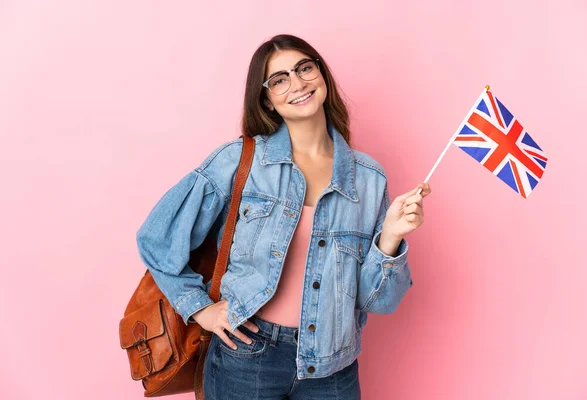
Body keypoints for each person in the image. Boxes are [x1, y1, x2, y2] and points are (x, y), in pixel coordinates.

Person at [136, 33, 431, 400]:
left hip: (332, 367)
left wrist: (390, 237)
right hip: (246, 357)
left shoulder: (369, 179)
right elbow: (157, 240)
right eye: (279, 79)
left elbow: (379, 301)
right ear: (268, 101)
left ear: (321, 74)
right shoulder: (239, 161)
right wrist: (200, 310)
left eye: (304, 68)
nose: (298, 83)